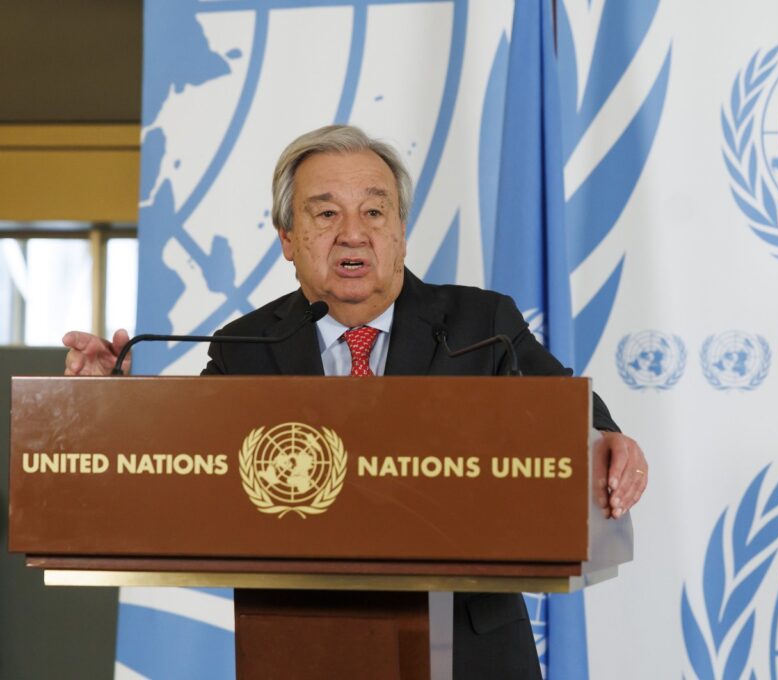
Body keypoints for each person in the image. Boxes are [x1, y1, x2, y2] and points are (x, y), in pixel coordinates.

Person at [63, 124, 649, 679]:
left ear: (399, 231)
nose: (353, 231)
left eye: (374, 211)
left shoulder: (481, 322)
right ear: (288, 239)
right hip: (302, 642)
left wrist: (609, 441)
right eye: (326, 213)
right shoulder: (248, 345)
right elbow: (188, 468)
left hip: (470, 646)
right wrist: (105, 407)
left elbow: (569, 414)